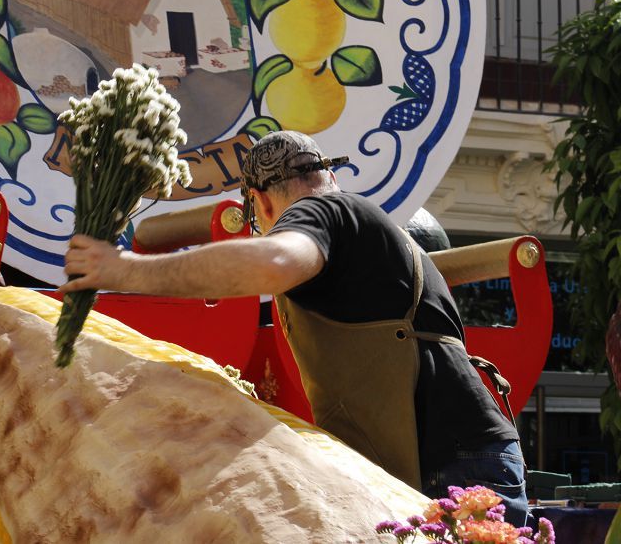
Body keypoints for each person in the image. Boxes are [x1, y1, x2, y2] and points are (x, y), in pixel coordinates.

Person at [61, 131, 528, 526]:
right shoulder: (361, 225)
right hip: (467, 453)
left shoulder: (323, 212)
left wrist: (123, 271)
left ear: (262, 203)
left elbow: (278, 261)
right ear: (329, 172)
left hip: (449, 466)